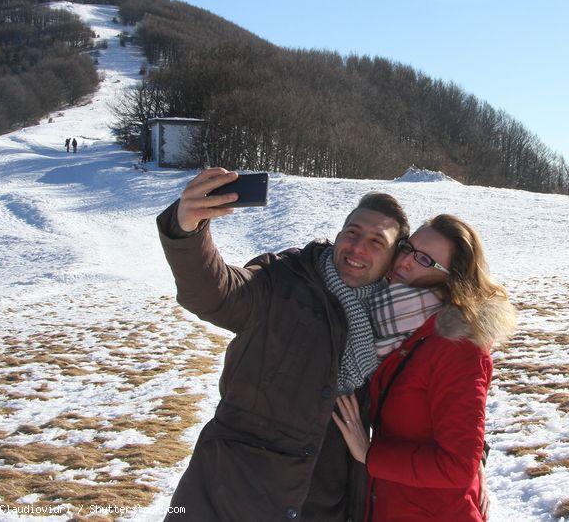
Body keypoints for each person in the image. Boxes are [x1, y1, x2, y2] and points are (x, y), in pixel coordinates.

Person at [156, 167, 409, 521]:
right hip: (234, 496)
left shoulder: (397, 323)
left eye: (376, 242)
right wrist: (187, 229)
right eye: (352, 233)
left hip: (329, 504)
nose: (357, 247)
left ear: (393, 258)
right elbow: (215, 293)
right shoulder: (283, 280)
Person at [333, 214, 516, 521]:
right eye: (407, 248)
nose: (403, 261)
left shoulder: (456, 348)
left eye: (424, 260)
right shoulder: (398, 333)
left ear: (451, 279)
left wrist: (369, 455)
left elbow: (457, 466)